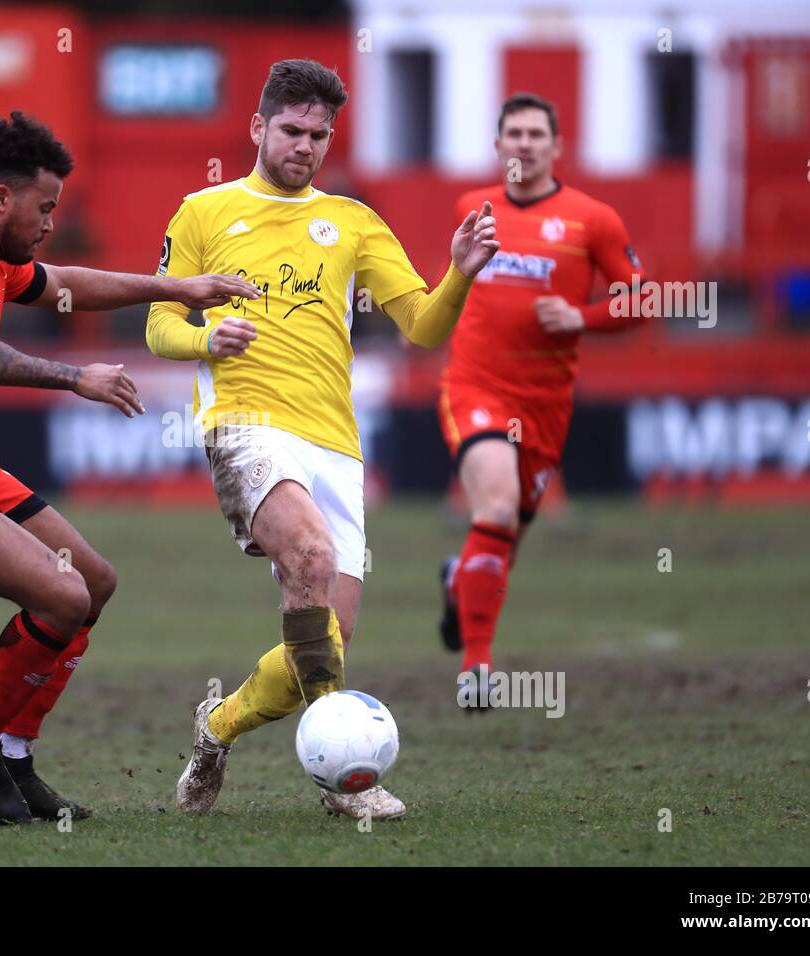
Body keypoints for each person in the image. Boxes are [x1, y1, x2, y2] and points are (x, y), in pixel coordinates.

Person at [0, 112, 260, 825]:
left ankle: (13, 751)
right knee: (60, 597)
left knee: (92, 583)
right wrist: (74, 378)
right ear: (2, 198)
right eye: (44, 207)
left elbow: (62, 283)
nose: (50, 222)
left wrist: (176, 288)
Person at [146, 60, 499, 820]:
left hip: (335, 445)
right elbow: (158, 324)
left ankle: (215, 730)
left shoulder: (354, 222)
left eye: (319, 134)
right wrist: (207, 335)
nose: (305, 145)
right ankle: (344, 788)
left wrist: (460, 274)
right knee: (308, 556)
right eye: (292, 130)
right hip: (245, 427)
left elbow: (425, 325)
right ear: (258, 127)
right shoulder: (203, 212)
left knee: (326, 645)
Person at [436, 93, 648, 706]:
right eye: (513, 134)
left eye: (536, 134)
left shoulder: (593, 220)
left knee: (503, 539)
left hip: (547, 406)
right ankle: (476, 670)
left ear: (557, 147)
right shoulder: (470, 210)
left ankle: (460, 587)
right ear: (497, 145)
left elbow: (642, 300)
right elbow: (450, 285)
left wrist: (580, 317)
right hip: (474, 386)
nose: (524, 144)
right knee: (496, 507)